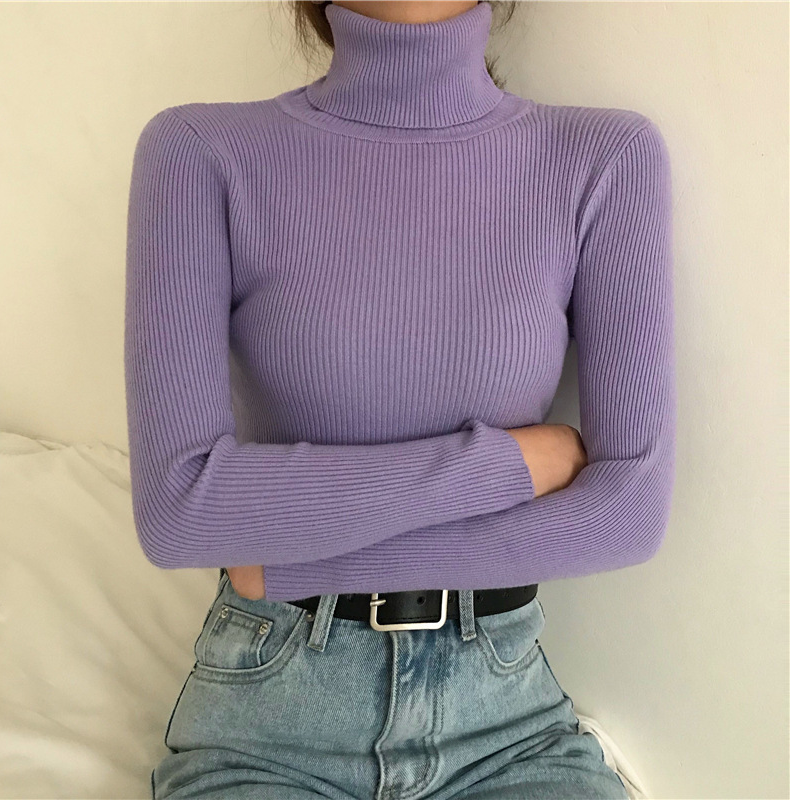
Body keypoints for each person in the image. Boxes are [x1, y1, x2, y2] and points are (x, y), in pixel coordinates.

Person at [124, 1, 675, 797]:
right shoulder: (199, 152)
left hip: (506, 725)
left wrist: (284, 559)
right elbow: (181, 512)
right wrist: (504, 465)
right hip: (268, 722)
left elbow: (628, 514)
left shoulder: (604, 158)